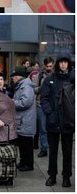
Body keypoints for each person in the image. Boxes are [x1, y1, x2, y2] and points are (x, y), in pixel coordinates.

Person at [40, 51, 74, 187]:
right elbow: (44, 98)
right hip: (53, 121)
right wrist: (50, 113)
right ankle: (52, 175)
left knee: (67, 152)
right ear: (57, 64)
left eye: (66, 62)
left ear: (69, 63)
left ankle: (66, 177)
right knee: (53, 152)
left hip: (68, 121)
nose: (63, 64)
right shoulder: (50, 78)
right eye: (61, 62)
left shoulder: (73, 78)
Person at [10, 66, 36, 172]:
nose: (12, 79)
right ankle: (23, 162)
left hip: (26, 120)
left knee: (26, 145)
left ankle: (28, 165)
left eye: (13, 77)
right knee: (23, 144)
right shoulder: (22, 85)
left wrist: (12, 102)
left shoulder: (26, 87)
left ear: (18, 76)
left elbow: (25, 103)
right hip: (22, 120)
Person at [32, 57, 54, 158]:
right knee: (43, 128)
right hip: (40, 104)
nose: (49, 68)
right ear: (44, 65)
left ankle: (52, 147)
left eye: (51, 66)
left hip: (53, 105)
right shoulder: (39, 76)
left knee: (53, 128)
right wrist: (42, 87)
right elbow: (34, 89)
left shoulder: (56, 75)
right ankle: (44, 148)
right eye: (47, 66)